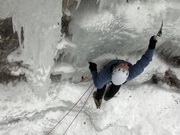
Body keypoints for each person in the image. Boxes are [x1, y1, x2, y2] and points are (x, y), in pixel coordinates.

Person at [88, 36, 157, 108]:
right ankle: (105, 97)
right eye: (124, 66)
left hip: (117, 78)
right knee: (112, 85)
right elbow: (146, 60)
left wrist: (93, 69)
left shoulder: (106, 75)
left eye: (123, 65)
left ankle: (100, 97)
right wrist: (151, 47)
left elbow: (97, 84)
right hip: (118, 79)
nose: (126, 64)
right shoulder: (131, 73)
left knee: (104, 85)